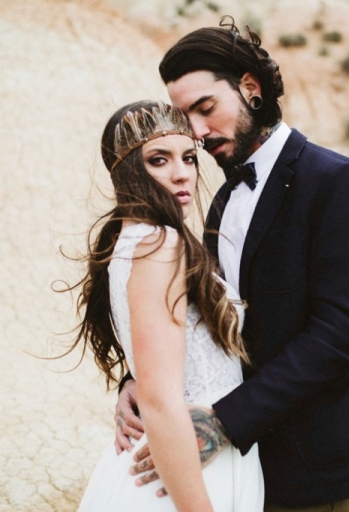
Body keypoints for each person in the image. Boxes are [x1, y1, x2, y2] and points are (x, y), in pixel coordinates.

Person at [116, 18, 349, 512]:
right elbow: (196, 314)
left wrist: (224, 421)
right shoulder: (219, 202)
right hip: (237, 471)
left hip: (309, 462)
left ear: (250, 88)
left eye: (205, 108)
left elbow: (340, 333)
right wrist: (136, 382)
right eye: (184, 117)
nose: (196, 132)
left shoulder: (335, 180)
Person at [70, 100, 264, 511]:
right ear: (129, 172)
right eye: (159, 160)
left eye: (189, 158)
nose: (182, 174)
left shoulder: (129, 243)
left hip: (179, 457)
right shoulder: (161, 244)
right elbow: (160, 400)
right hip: (184, 473)